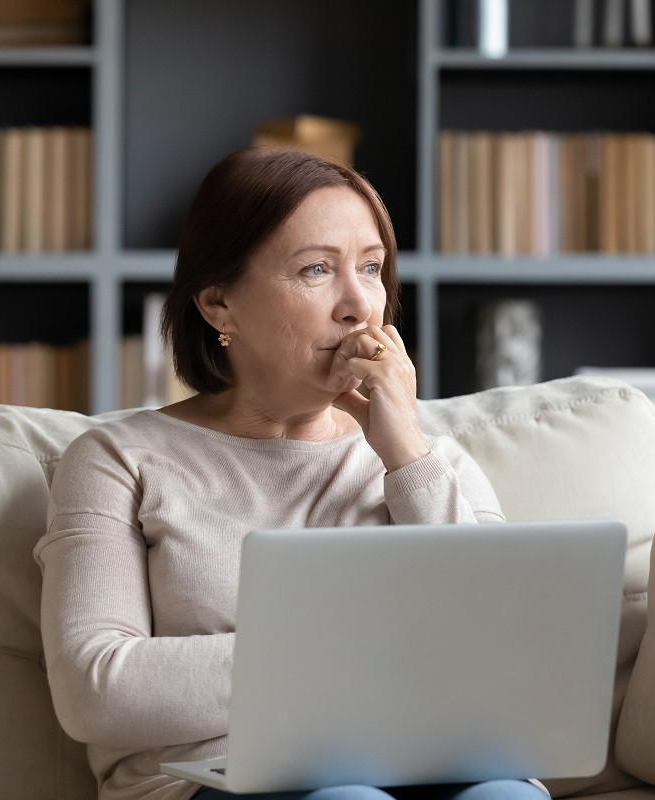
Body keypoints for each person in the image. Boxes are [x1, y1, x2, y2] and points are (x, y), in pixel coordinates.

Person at [34, 147, 550, 800]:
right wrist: (368, 660)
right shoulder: (117, 460)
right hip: (222, 780)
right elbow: (96, 690)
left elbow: (503, 663)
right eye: (316, 270)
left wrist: (406, 459)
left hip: (428, 765)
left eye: (371, 268)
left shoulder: (426, 459)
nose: (360, 305)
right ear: (220, 305)